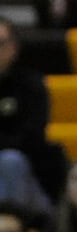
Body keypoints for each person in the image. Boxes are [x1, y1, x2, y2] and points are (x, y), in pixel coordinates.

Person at [0, 18, 65, 219]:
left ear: (13, 48)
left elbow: (32, 139)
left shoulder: (30, 85)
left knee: (10, 161)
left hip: (29, 179)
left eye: (0, 44)